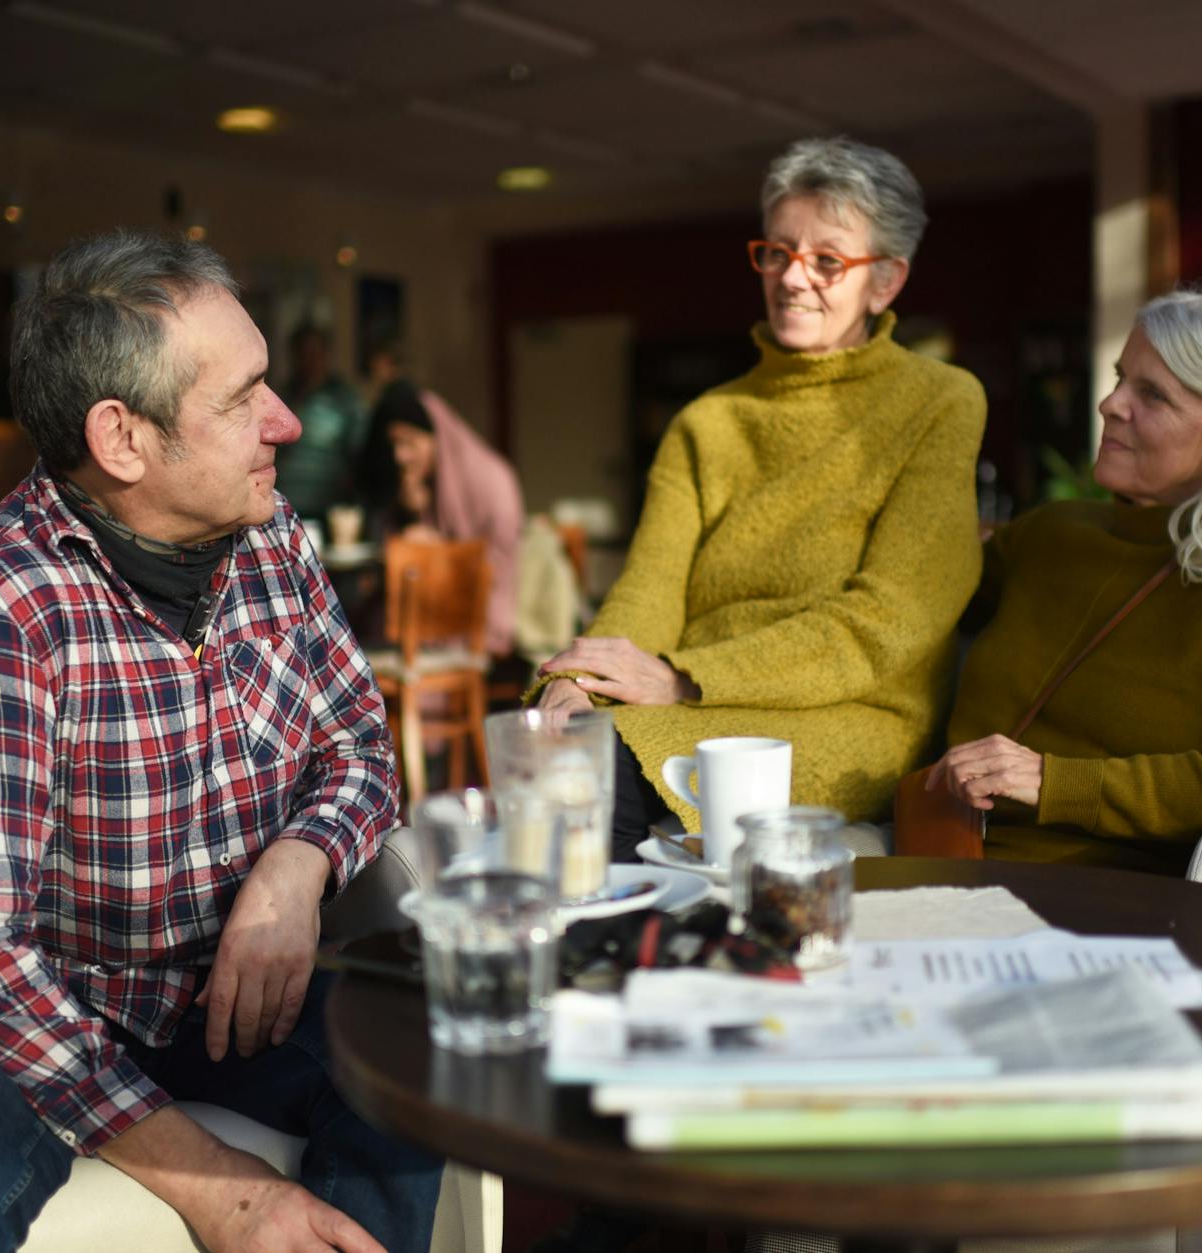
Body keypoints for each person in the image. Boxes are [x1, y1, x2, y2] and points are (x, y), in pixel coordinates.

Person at [0, 230, 441, 1253]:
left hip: (236, 995)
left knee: (424, 1042)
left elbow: (360, 748)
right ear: (121, 439)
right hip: (51, 1008)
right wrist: (224, 1188)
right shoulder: (0, 594)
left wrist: (295, 870)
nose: (286, 421)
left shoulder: (274, 540)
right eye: (241, 397)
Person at [531, 136, 986, 859]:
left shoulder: (940, 401)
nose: (793, 277)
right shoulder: (707, 420)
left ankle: (613, 964)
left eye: (828, 260)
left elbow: (887, 623)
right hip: (691, 700)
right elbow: (649, 590)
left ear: (886, 282)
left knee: (602, 768)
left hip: (851, 712)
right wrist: (581, 684)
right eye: (777, 251)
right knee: (559, 745)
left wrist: (683, 677)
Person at [922, 290, 1202, 875]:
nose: (1109, 404)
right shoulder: (1050, 533)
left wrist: (1057, 782)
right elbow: (913, 609)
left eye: (1152, 395)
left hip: (1101, 896)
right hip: (941, 856)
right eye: (1122, 378)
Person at [373, 379, 525, 660]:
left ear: (437, 436)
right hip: (430, 614)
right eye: (394, 443)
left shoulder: (491, 479)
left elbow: (497, 567)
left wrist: (437, 551)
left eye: (410, 442)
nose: (400, 456)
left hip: (483, 616)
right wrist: (411, 512)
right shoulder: (422, 484)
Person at [273, 323, 371, 522]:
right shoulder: (281, 396)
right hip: (285, 505)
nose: (309, 360)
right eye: (302, 353)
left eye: (314, 352)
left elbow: (360, 452)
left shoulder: (345, 398)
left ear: (326, 354)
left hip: (329, 507)